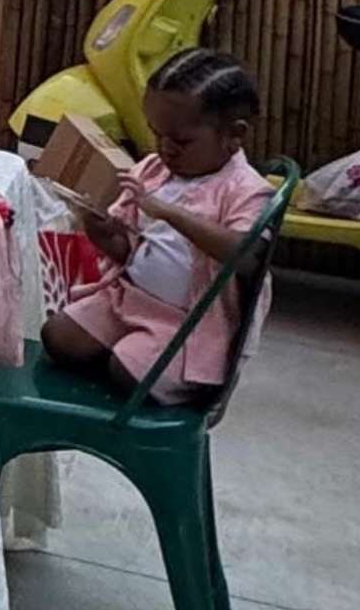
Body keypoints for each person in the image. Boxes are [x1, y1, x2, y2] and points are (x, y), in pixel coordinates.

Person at [34, 52, 270, 401]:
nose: (165, 149)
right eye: (157, 134)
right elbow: (129, 250)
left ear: (233, 136)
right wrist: (101, 229)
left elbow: (248, 254)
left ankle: (161, 366)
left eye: (181, 140)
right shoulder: (153, 170)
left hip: (187, 324)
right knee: (58, 337)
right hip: (128, 298)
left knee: (128, 373)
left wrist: (169, 213)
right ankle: (127, 349)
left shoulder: (245, 190)